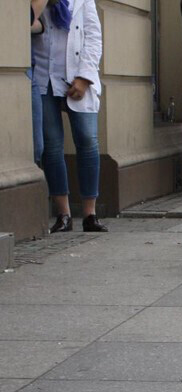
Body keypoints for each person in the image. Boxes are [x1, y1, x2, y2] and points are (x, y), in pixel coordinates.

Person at [32, 0, 106, 233]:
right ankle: (63, 214)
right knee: (52, 147)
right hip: (43, 75)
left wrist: (85, 77)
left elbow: (93, 37)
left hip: (77, 75)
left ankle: (89, 214)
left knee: (87, 141)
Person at [29, 0, 47, 165]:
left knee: (37, 147)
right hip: (23, 68)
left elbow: (36, 22)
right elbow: (27, 17)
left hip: (28, 68)